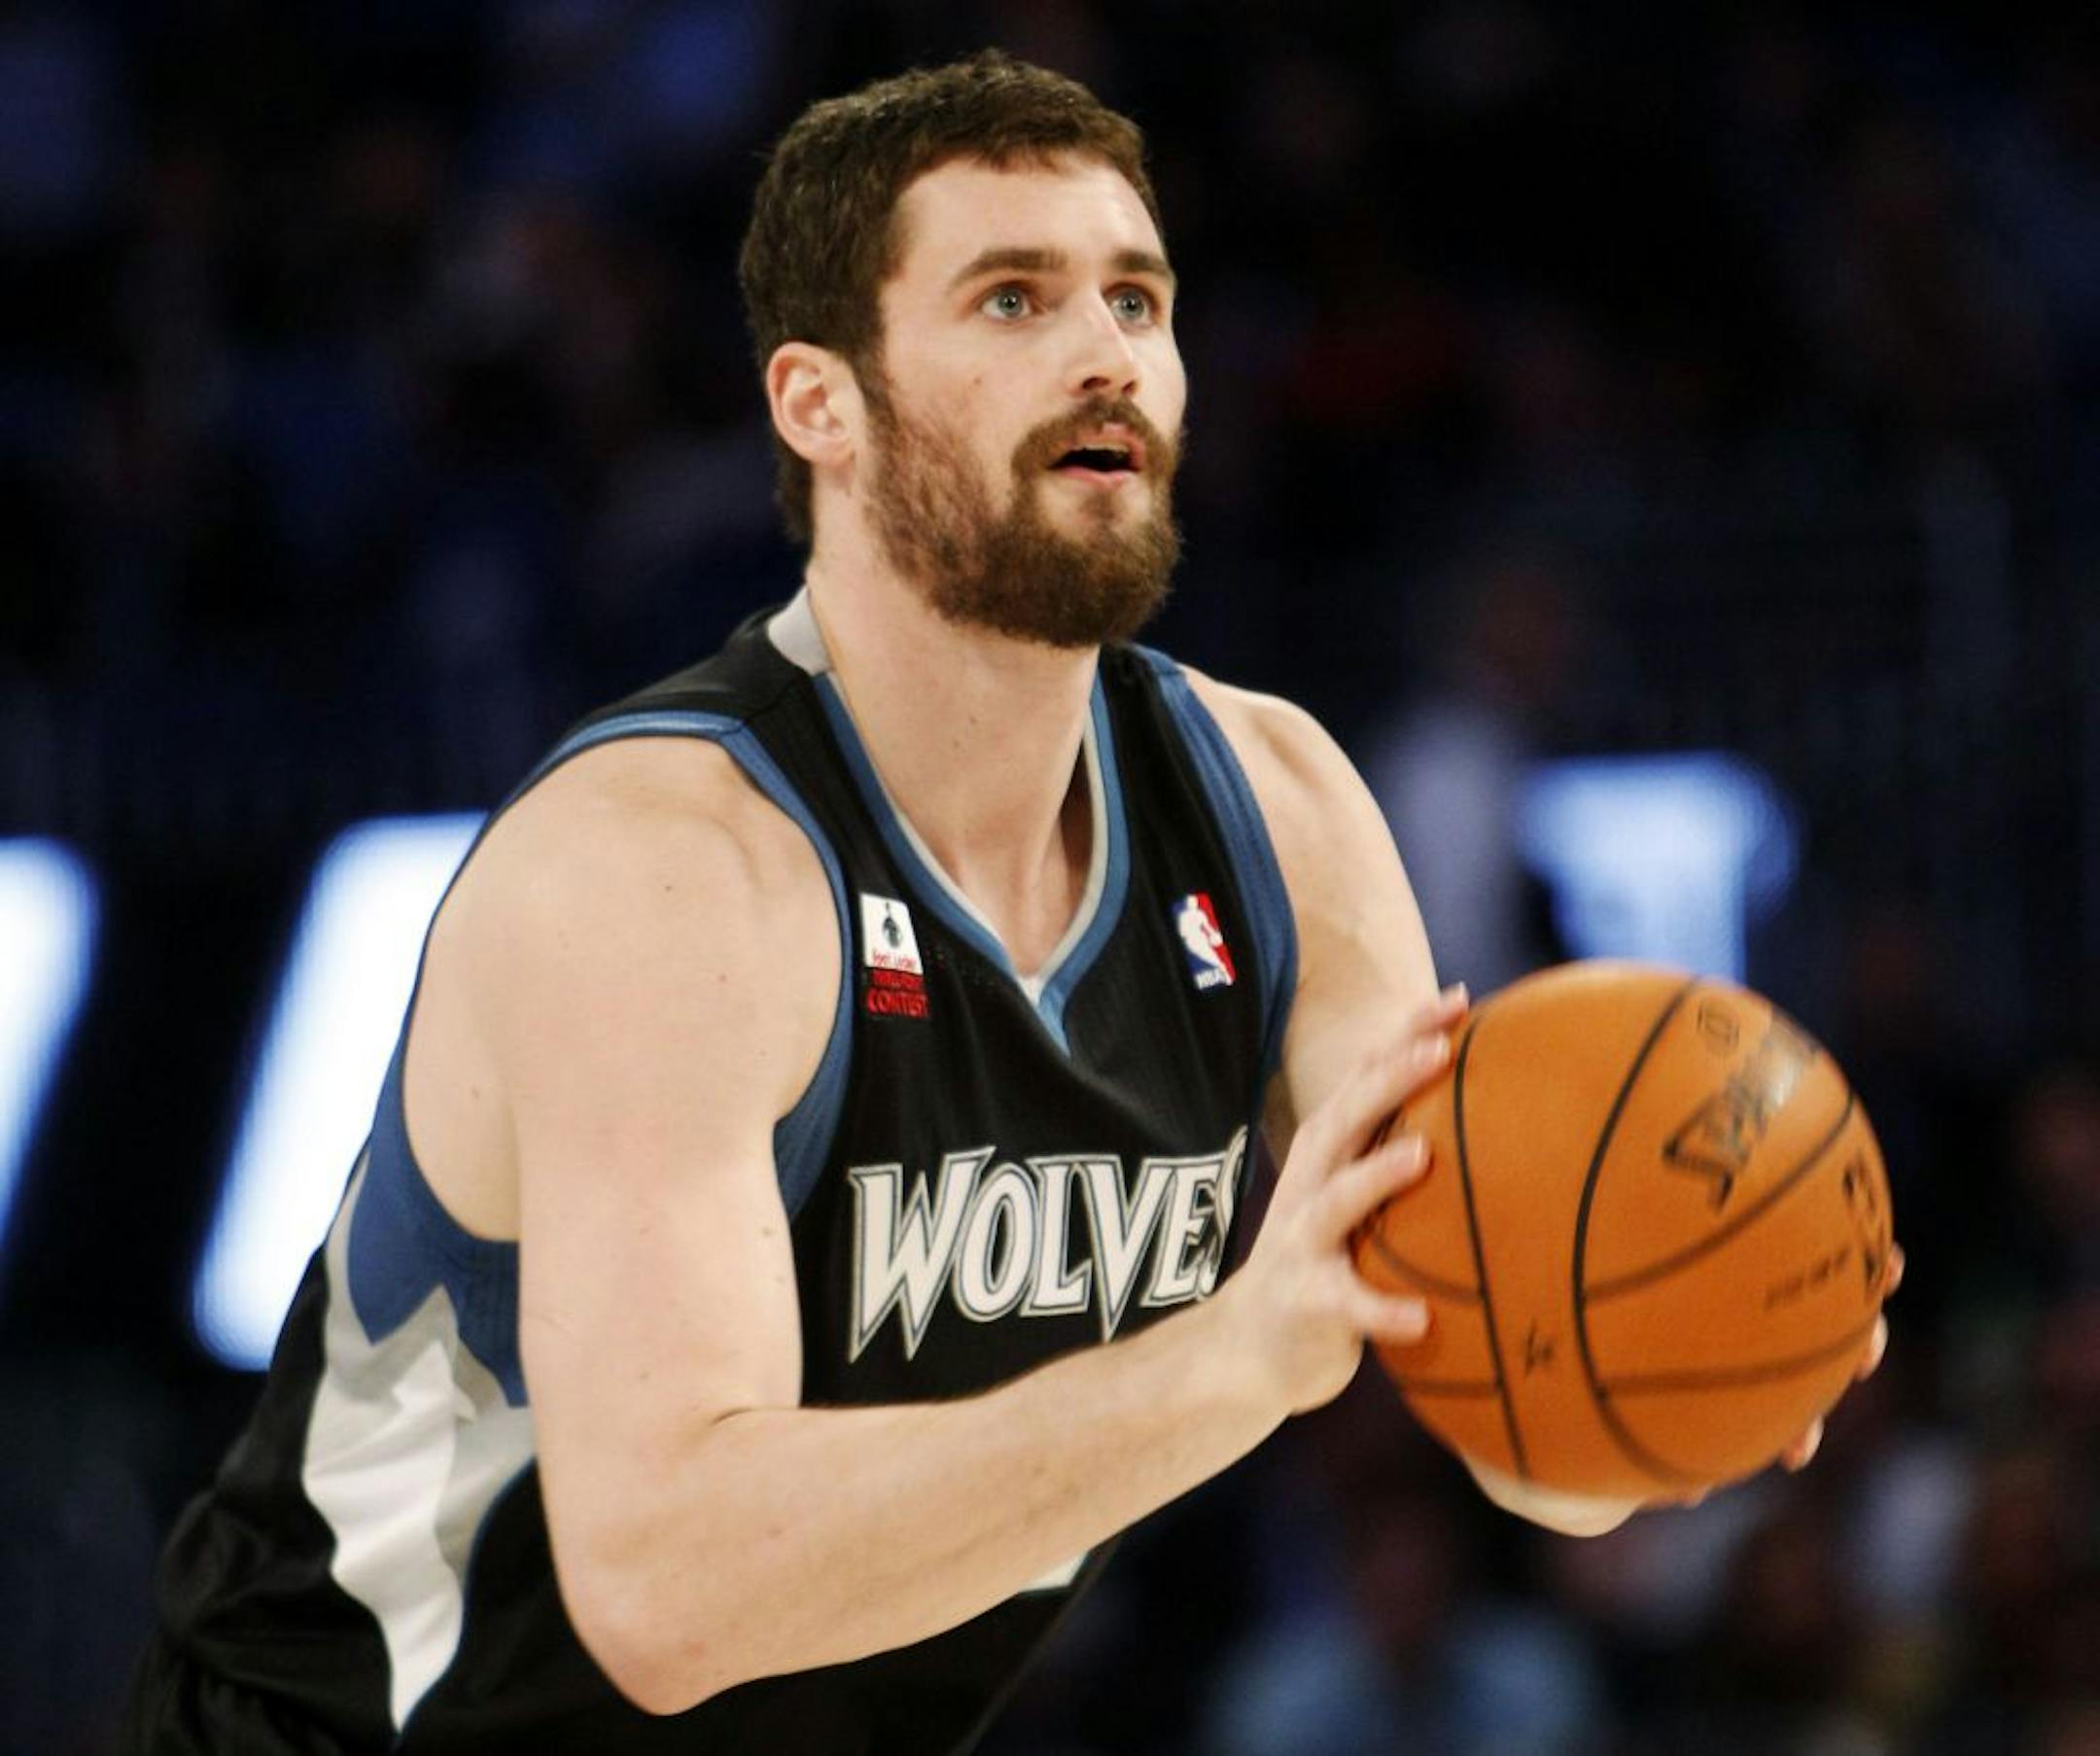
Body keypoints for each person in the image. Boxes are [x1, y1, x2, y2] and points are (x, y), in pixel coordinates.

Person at [121, 52, 1879, 1753]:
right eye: (1015, 301)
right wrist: (1230, 1364)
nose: (1107, 355)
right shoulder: (663, 869)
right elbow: (663, 1587)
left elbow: (1495, 1379)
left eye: (1138, 298)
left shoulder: (1277, 813)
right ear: (818, 401)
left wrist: (1709, 1342)